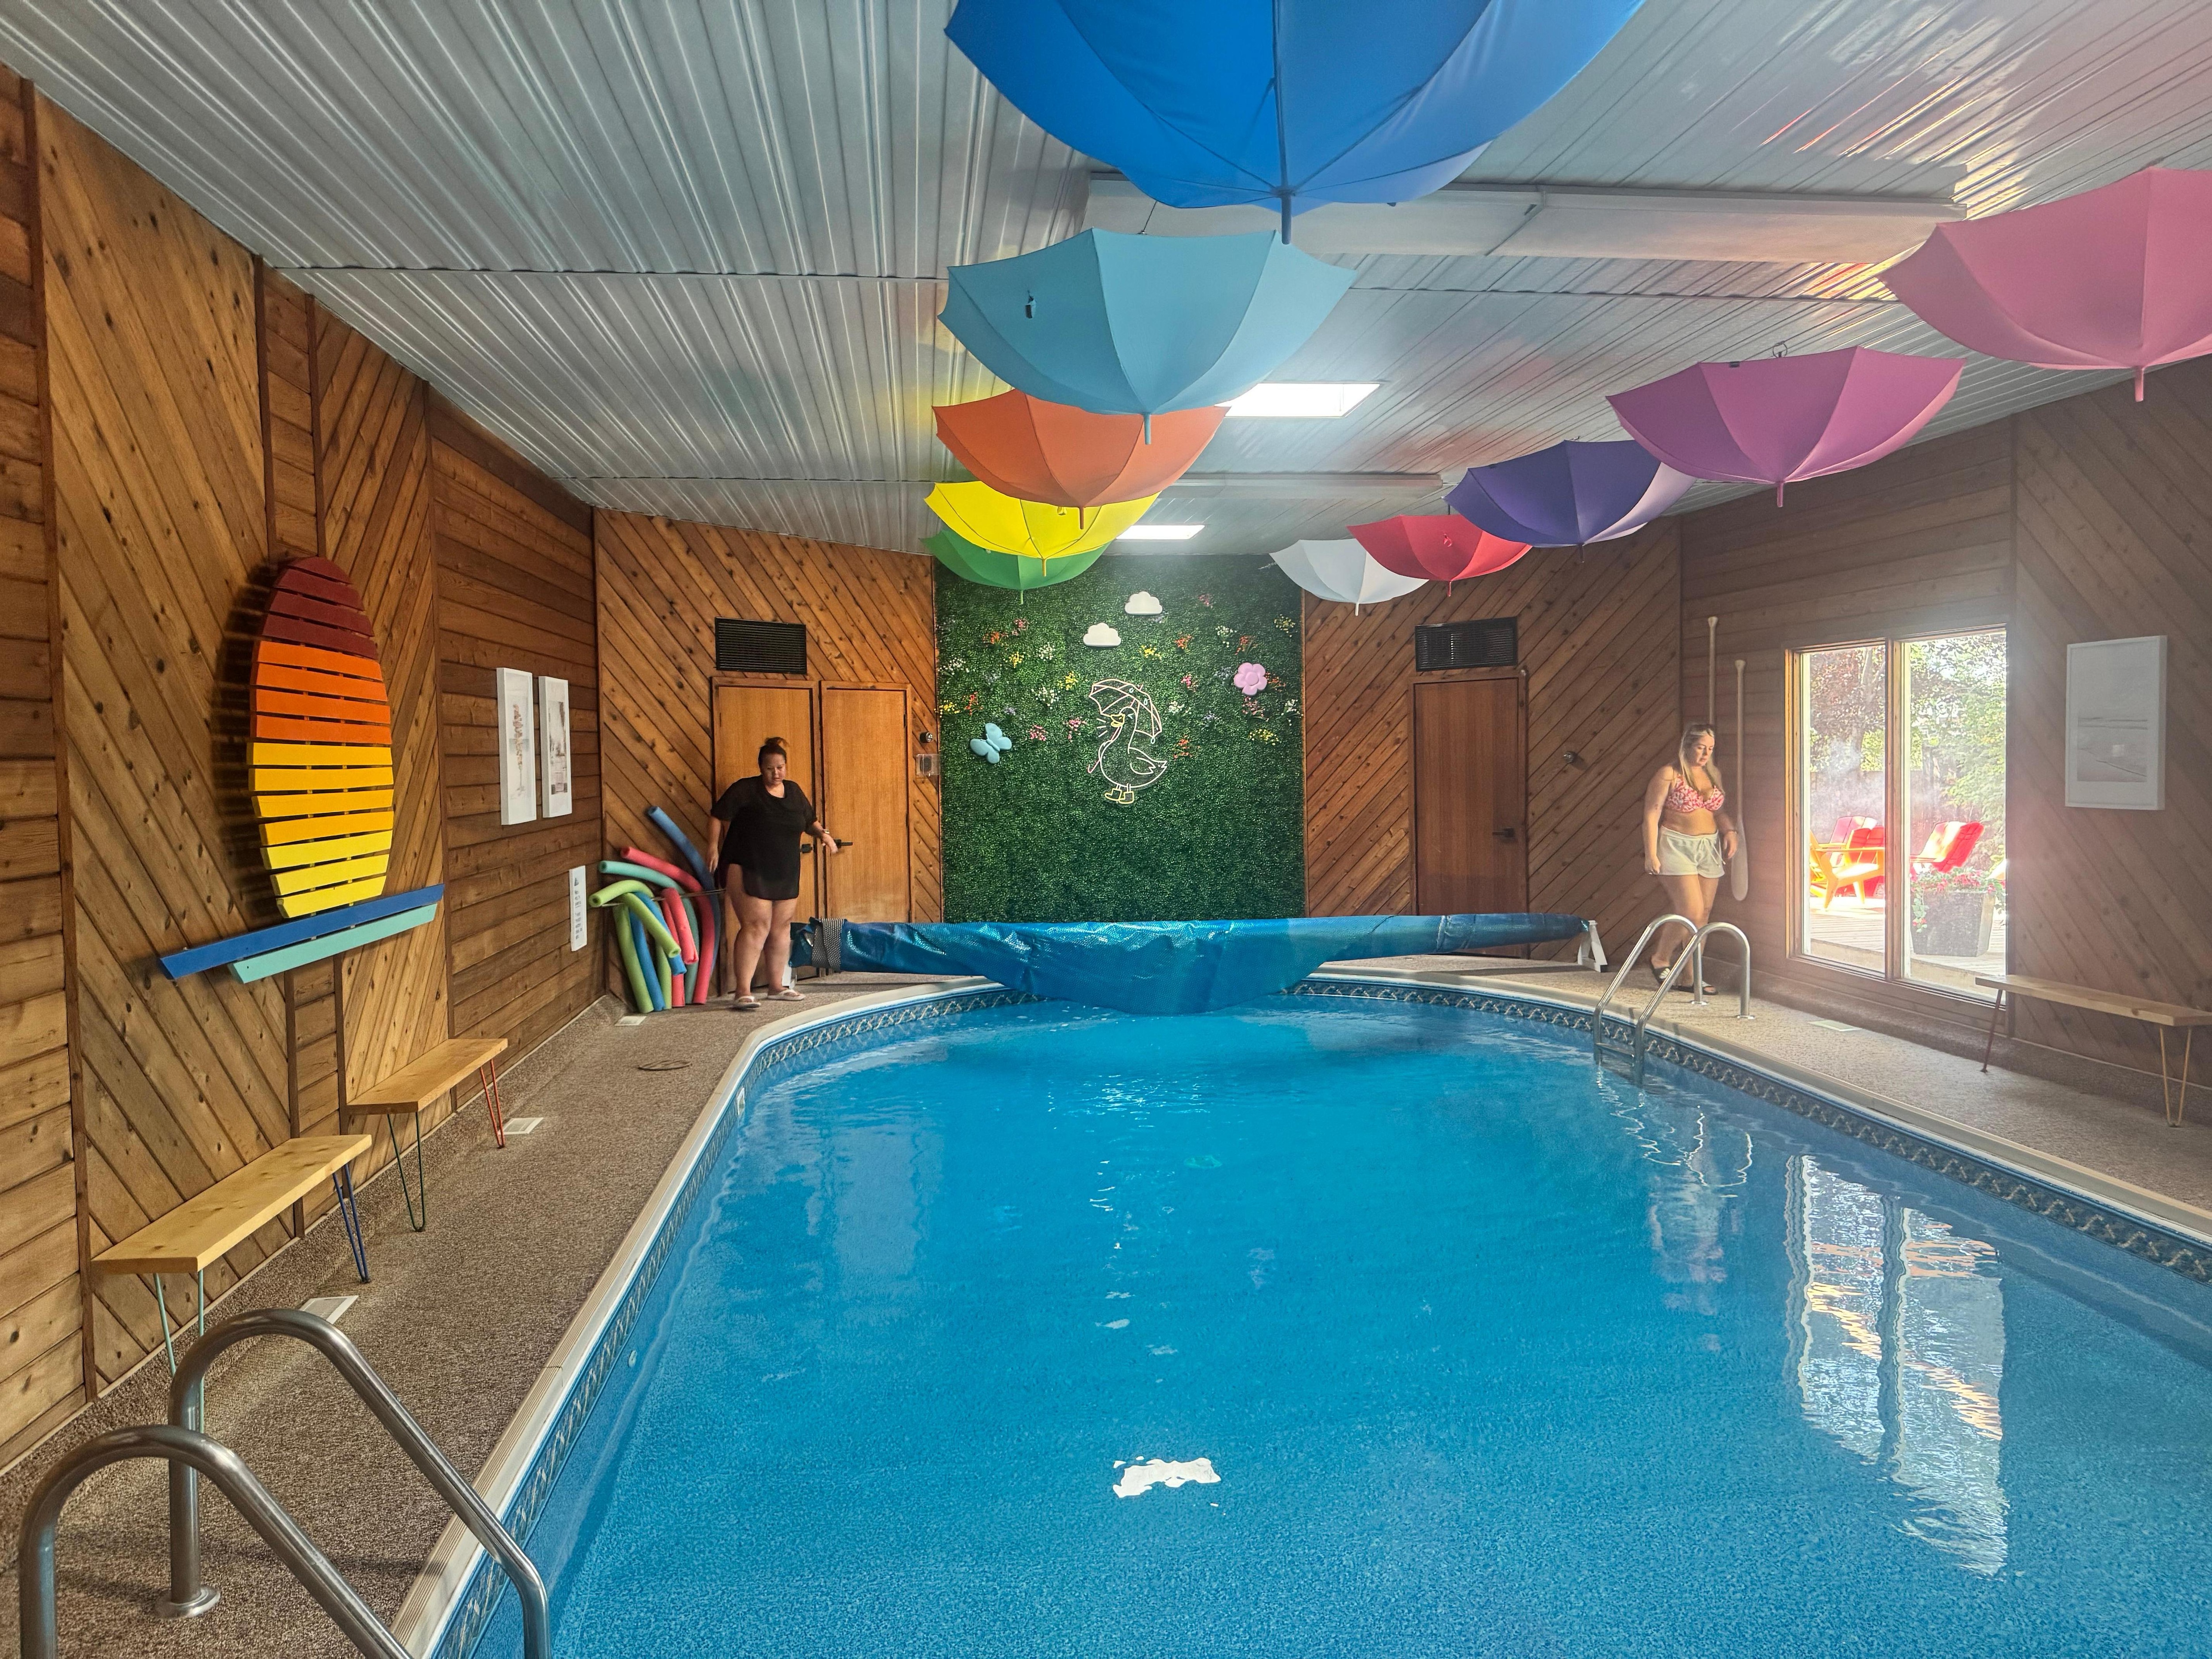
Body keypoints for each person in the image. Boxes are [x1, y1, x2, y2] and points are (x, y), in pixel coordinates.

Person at [708, 738, 838, 1011]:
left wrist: (825, 836)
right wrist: (712, 848)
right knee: (757, 926)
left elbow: (809, 821)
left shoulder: (794, 792)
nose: (776, 773)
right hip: (748, 865)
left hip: (784, 869)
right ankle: (743, 991)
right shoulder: (746, 789)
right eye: (770, 769)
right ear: (761, 768)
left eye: (780, 767)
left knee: (781, 926)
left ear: (786, 767)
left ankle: (776, 986)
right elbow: (718, 815)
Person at [1640, 722, 1739, 991]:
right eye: (1700, 748)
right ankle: (1660, 958)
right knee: (1690, 911)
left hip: (1708, 847)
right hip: (1676, 845)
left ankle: (1690, 976)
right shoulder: (1669, 774)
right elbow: (1652, 814)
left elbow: (1718, 812)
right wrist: (1651, 854)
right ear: (1687, 746)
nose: (1706, 754)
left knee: (1703, 914)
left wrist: (1730, 831)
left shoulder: (1713, 774)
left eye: (1710, 749)